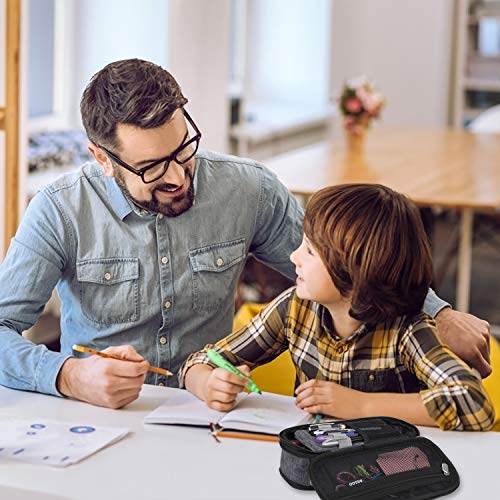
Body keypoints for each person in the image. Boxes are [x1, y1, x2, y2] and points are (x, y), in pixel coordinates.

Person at [0, 59, 490, 409]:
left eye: (183, 149)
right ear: (102, 159)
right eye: (151, 167)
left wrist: (438, 314)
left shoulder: (247, 188)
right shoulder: (59, 211)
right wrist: (68, 375)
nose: (177, 176)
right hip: (98, 419)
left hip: (209, 417)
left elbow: (344, 262)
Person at [182, 184, 495, 430]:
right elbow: (202, 360)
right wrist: (208, 383)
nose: (293, 258)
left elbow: (475, 403)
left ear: (356, 273)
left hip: (388, 468)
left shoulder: (408, 330)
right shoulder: (294, 308)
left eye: (310, 251)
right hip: (312, 461)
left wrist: (361, 406)